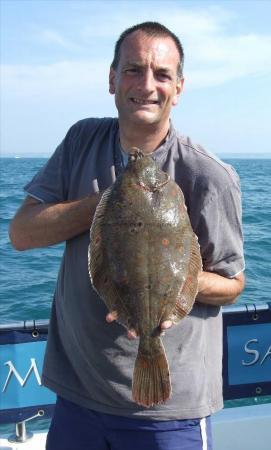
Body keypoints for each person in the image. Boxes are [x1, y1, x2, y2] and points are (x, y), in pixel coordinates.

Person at [9, 21, 245, 450]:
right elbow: (21, 235)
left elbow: (233, 284)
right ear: (112, 79)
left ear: (179, 87)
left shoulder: (210, 176)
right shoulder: (83, 139)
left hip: (169, 413)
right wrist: (105, 205)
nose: (147, 85)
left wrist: (174, 285)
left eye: (162, 74)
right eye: (133, 70)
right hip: (77, 393)